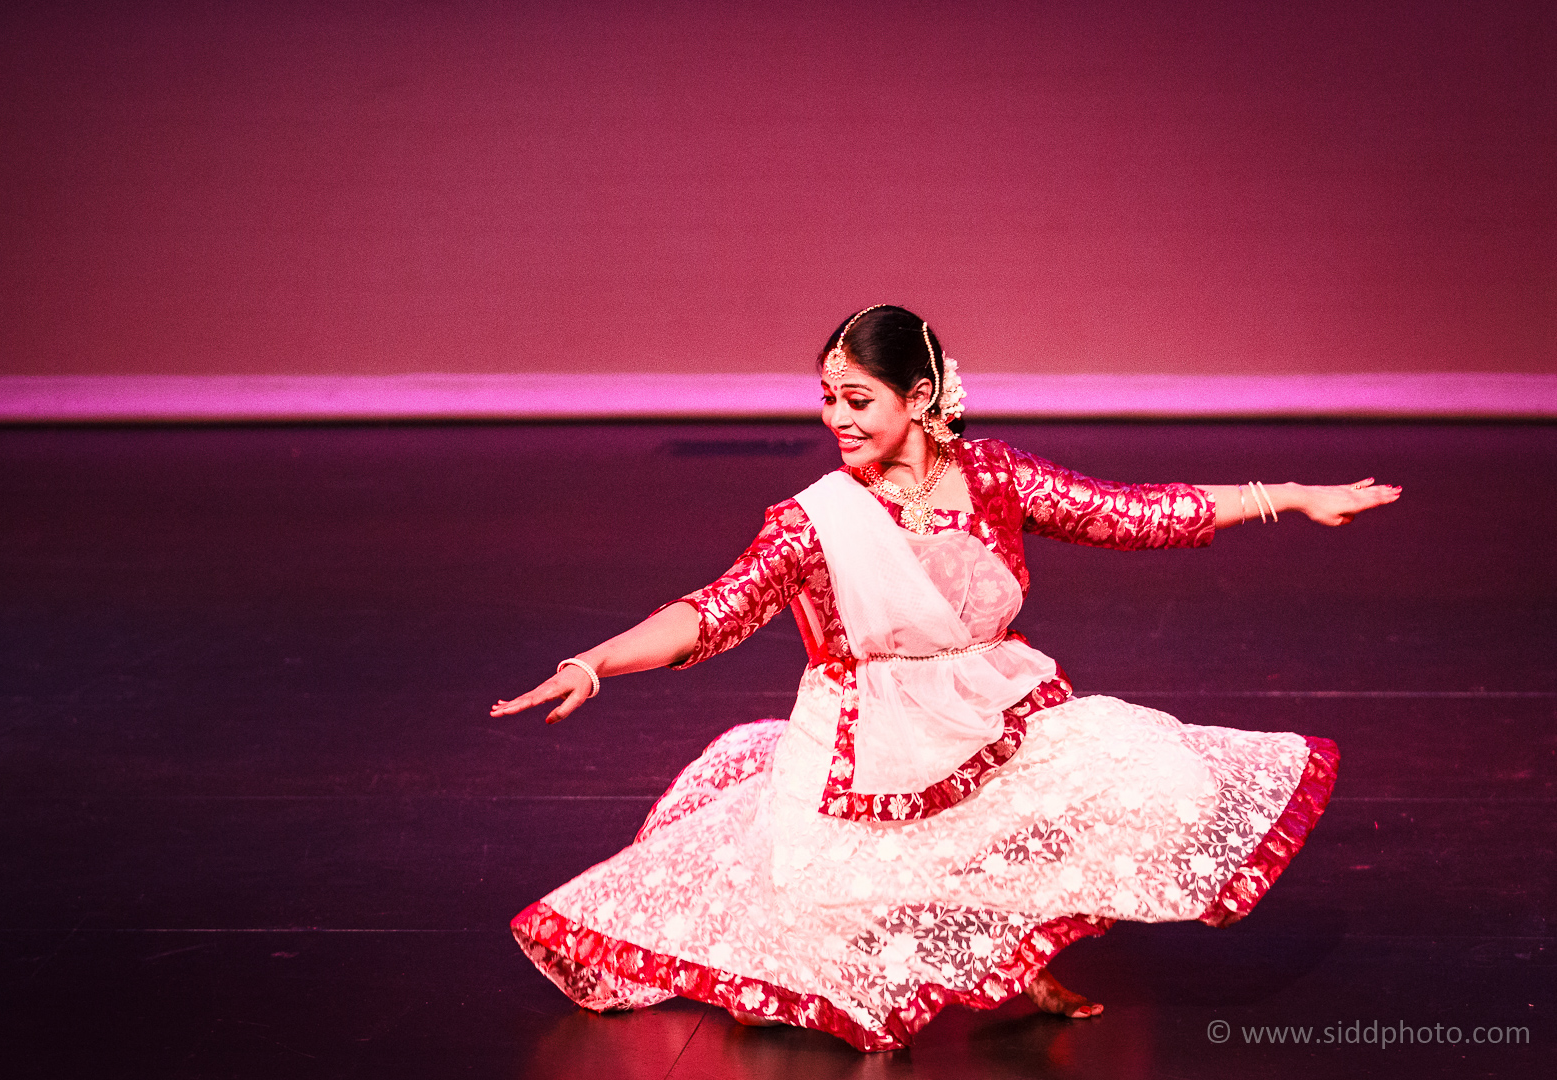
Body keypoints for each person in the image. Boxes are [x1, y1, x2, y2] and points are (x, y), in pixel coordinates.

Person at [492, 305, 1401, 1052]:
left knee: (1159, 779)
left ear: (921, 396)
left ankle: (1015, 956)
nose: (834, 420)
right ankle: (999, 962)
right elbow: (715, 610)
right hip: (863, 741)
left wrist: (1286, 495)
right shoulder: (816, 520)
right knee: (838, 947)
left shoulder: (995, 476)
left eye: (856, 399)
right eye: (826, 400)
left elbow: (1130, 514)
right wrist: (597, 660)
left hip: (990, 711)